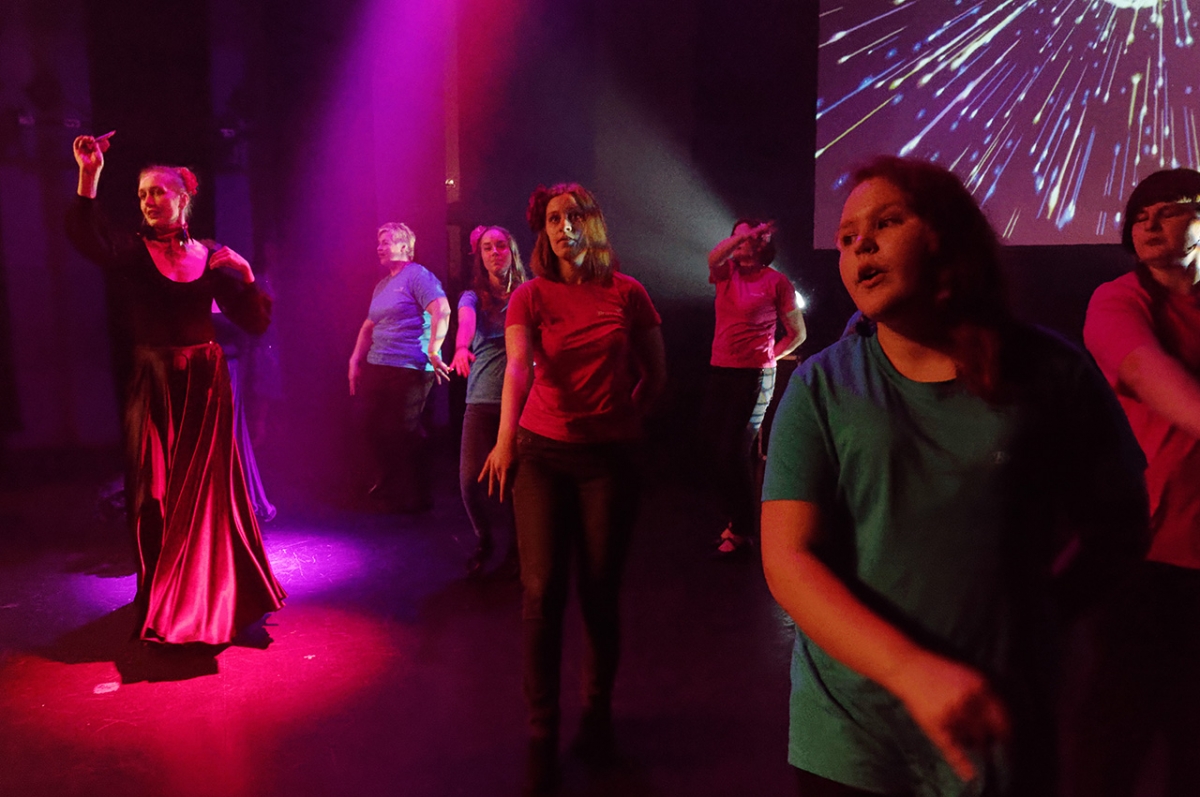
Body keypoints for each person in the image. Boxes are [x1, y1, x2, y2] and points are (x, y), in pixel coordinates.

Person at [760, 156, 1148, 796]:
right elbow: (788, 560)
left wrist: (1041, 618)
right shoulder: (820, 388)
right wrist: (912, 671)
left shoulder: (1050, 373)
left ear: (948, 237)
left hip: (993, 723)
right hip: (851, 736)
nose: (861, 244)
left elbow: (1119, 522)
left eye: (887, 222)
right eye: (847, 236)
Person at [481, 183, 666, 794]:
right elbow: (516, 368)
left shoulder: (628, 292)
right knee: (541, 593)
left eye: (575, 216)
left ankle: (596, 721)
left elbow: (655, 373)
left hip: (608, 461)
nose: (564, 227)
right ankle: (542, 733)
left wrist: (623, 421)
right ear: (544, 231)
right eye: (554, 218)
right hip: (542, 455)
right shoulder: (530, 295)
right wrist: (505, 441)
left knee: (600, 592)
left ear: (593, 224)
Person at [66, 132, 286, 646]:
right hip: (155, 384)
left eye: (158, 191)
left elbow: (255, 322)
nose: (148, 200)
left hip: (206, 386)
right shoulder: (130, 250)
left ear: (183, 198)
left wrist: (247, 274)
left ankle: (218, 599)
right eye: (142, 193)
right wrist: (89, 173)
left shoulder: (212, 256)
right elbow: (84, 235)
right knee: (154, 496)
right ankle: (163, 599)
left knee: (210, 496)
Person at [1073, 169, 1200, 797]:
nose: (1148, 222)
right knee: (1119, 725)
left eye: (1167, 210)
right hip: (1145, 550)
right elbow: (1149, 373)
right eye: (1140, 214)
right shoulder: (1117, 300)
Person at [700, 218, 805, 556]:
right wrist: (743, 235)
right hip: (721, 370)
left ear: (762, 245)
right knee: (713, 448)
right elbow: (713, 257)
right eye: (737, 235)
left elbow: (798, 334)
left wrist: (770, 355)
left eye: (748, 237)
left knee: (734, 451)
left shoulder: (776, 282)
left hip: (754, 377)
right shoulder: (726, 272)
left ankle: (743, 530)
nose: (741, 240)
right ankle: (735, 522)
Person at [348, 222, 451, 513]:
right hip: (379, 363)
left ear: (405, 247)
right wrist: (355, 360)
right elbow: (368, 326)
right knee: (366, 422)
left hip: (410, 365)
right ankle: (391, 476)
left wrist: (434, 349)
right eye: (378, 242)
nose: (379, 247)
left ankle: (418, 493)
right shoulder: (382, 285)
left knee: (404, 430)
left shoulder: (418, 275)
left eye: (386, 241)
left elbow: (442, 309)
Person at [451, 225, 527, 577]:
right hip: (482, 399)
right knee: (470, 481)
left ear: (512, 251)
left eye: (500, 245)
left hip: (523, 403)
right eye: (486, 247)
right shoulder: (472, 297)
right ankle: (485, 539)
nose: (494, 252)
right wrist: (461, 347)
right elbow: (465, 323)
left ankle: (517, 548)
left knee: (517, 484)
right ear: (479, 256)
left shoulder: (527, 293)